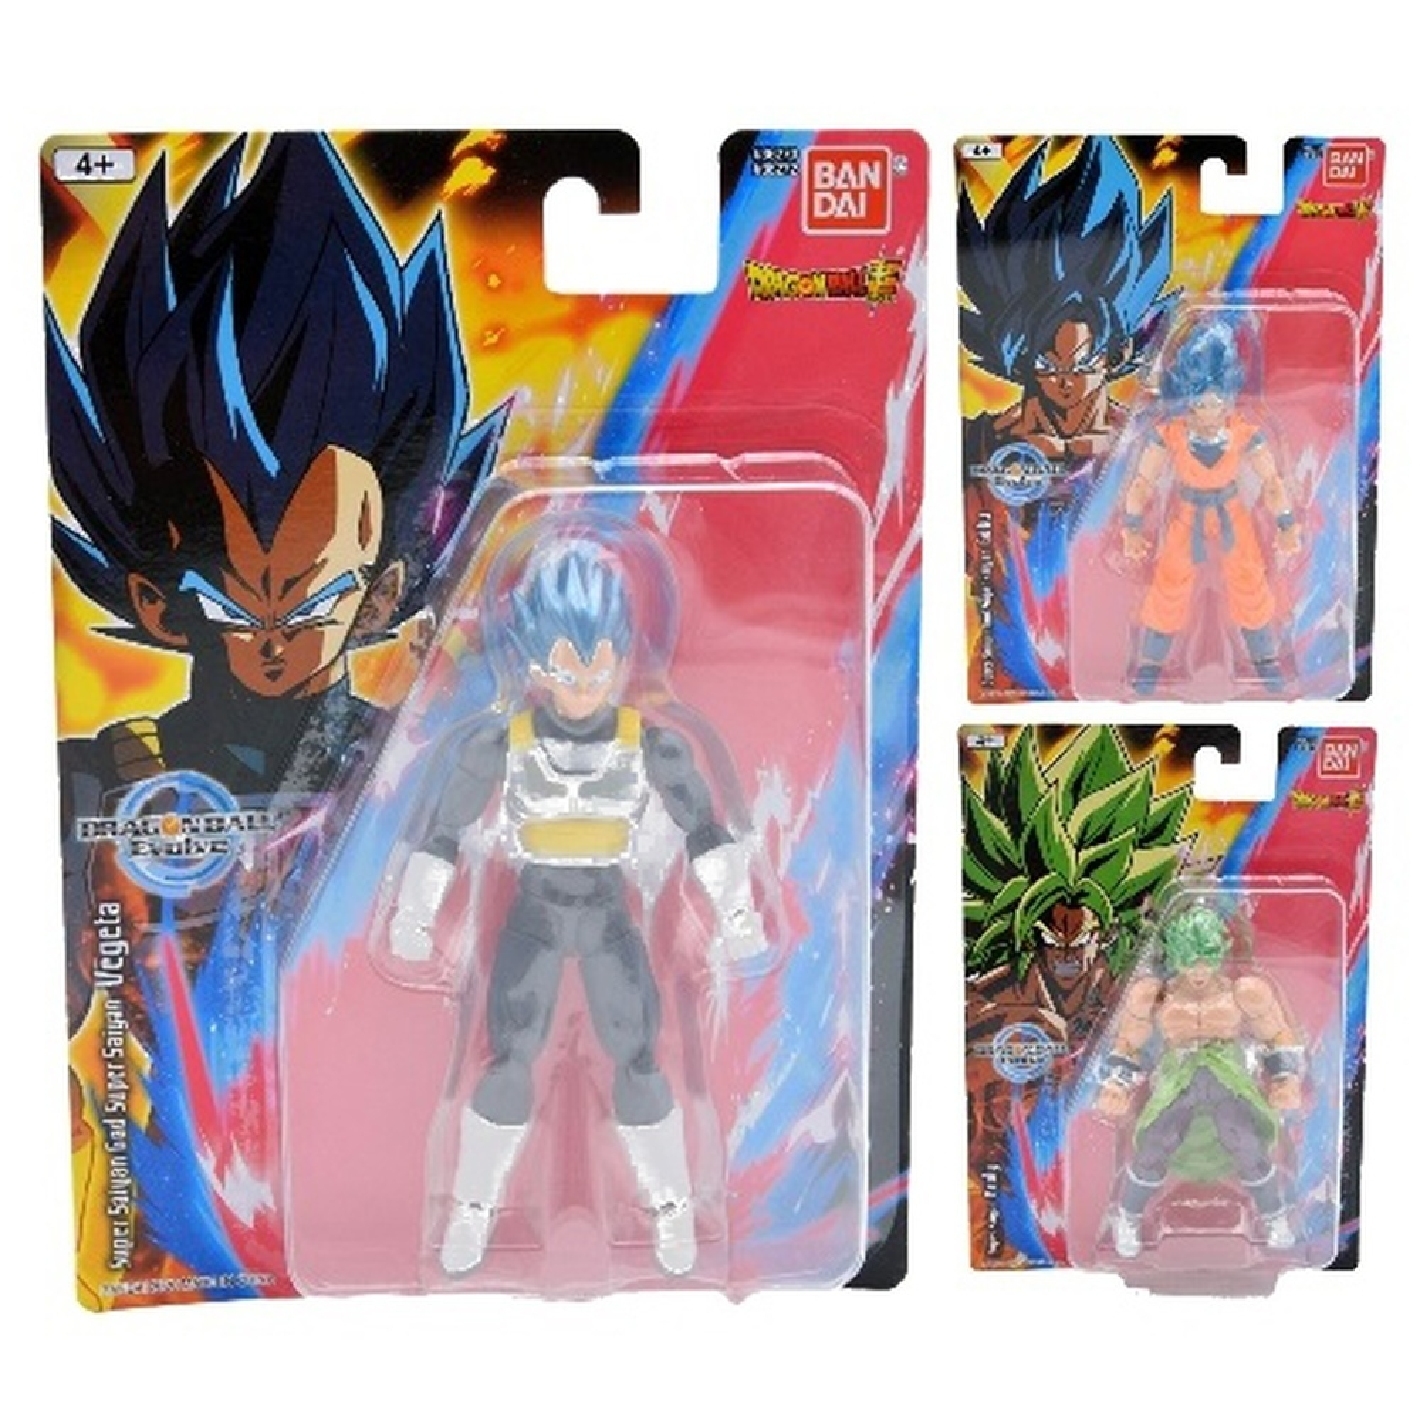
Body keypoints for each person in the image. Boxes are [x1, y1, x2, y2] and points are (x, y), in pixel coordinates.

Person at [387, 538, 767, 1276]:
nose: (586, 686)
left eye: (599, 668)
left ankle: (670, 1208)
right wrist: (413, 916)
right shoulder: (499, 745)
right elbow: (443, 833)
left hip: (608, 916)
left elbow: (704, 828)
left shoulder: (652, 746)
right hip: (531, 915)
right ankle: (472, 1209)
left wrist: (737, 916)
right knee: (508, 1060)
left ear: (622, 659)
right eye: (568, 670)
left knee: (638, 1057)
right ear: (536, 664)